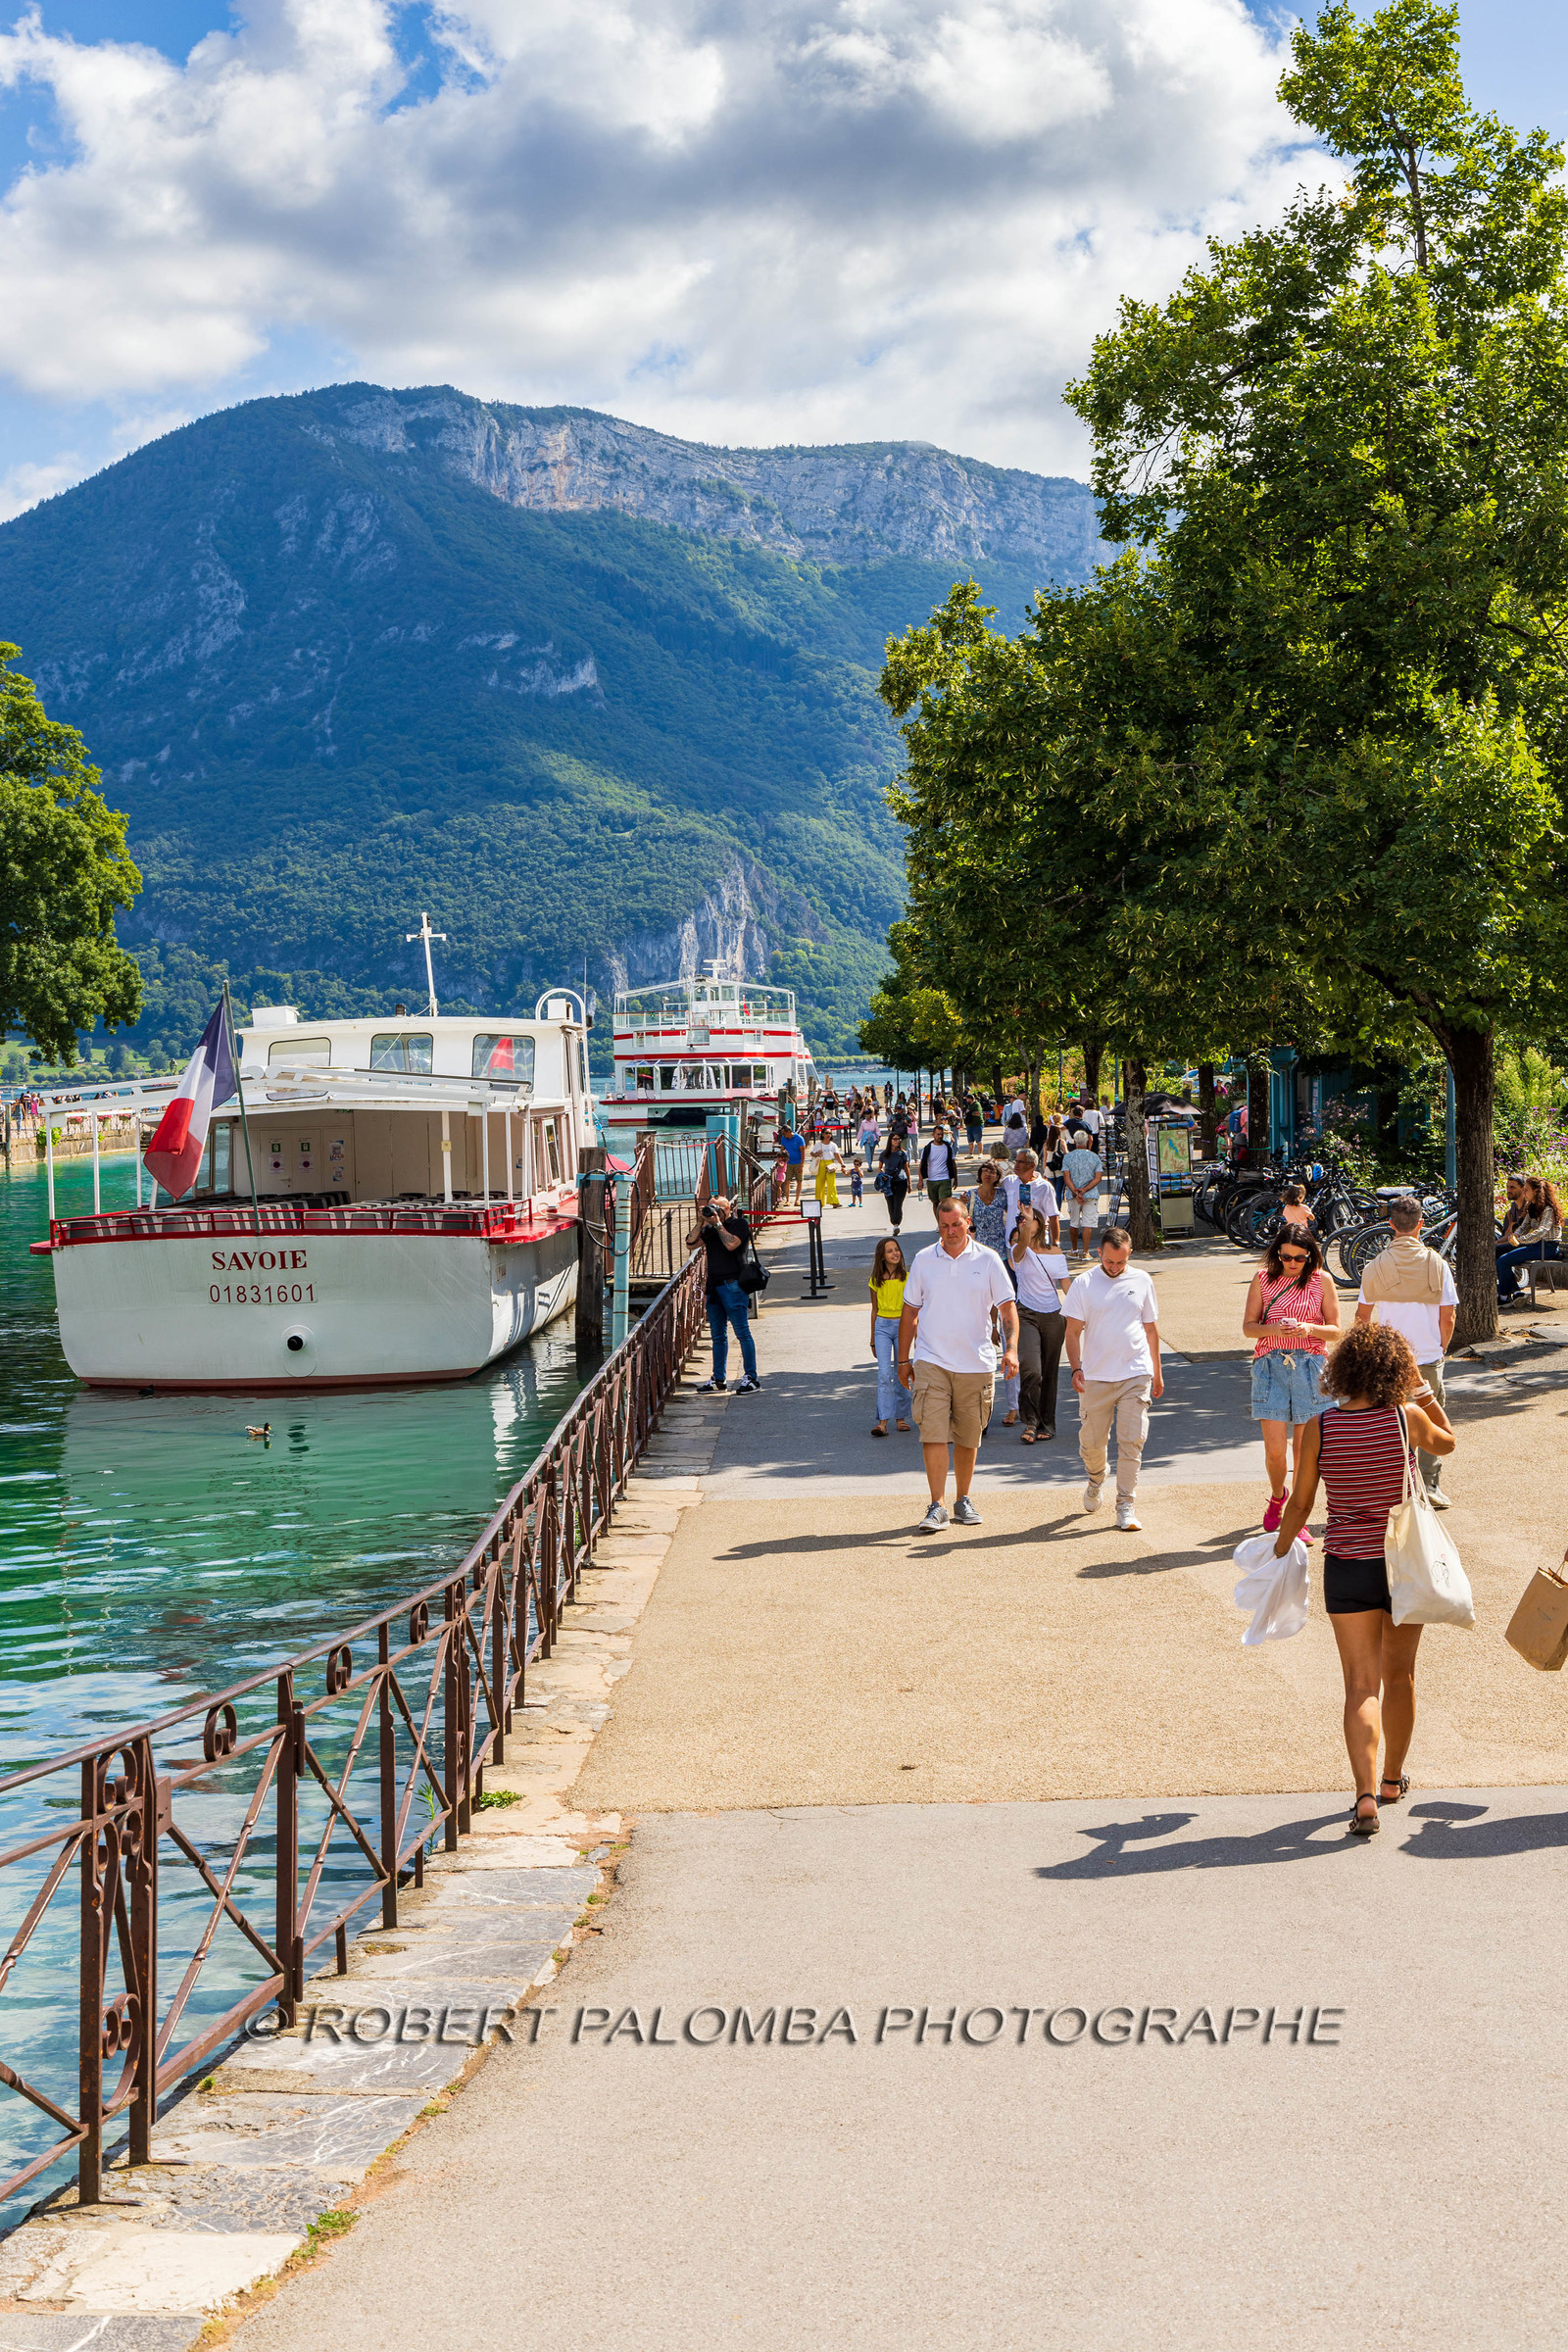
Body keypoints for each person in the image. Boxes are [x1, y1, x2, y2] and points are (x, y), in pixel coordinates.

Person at [1273, 1323, 1454, 1835]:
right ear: (1395, 1370)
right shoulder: (1408, 1418)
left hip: (1349, 1563)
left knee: (1359, 1684)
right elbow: (1449, 1443)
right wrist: (1420, 1389)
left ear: (1343, 1368)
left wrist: (1280, 1550)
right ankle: (1394, 1778)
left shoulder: (1319, 1427)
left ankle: (1366, 1795)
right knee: (1401, 1675)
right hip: (1404, 1564)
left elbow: (1302, 1503)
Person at [897, 1195, 1019, 1533]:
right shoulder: (924, 1260)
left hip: (976, 1362)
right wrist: (903, 1359)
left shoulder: (989, 1260)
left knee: (969, 1436)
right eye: (944, 1226)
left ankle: (962, 1498)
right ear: (938, 1226)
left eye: (956, 1224)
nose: (950, 1231)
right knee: (933, 1432)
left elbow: (1008, 1309)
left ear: (968, 1223)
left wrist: (1011, 1350)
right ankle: (936, 1505)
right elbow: (910, 1312)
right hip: (931, 1359)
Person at [1355, 1196, 1456, 1507]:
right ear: (1421, 1224)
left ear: (1391, 1226)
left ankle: (1393, 1486)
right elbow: (1448, 1316)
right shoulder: (1436, 1265)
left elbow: (1362, 1318)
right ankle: (1429, 1485)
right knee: (1432, 1421)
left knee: (1387, 1424)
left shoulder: (1376, 1267)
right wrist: (1441, 1348)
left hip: (1388, 1359)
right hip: (1426, 1355)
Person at [1063, 1227, 1163, 1532]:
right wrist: (1076, 1368)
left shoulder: (1141, 1280)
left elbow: (1151, 1330)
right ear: (1099, 1254)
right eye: (1109, 1261)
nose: (1114, 1267)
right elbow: (1072, 1331)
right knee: (1093, 1443)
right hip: (1096, 1375)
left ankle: (1125, 1505)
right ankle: (1096, 1477)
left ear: (1129, 1255)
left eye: (1120, 1262)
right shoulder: (1084, 1284)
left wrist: (1157, 1372)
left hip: (1135, 1372)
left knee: (1132, 1439)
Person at [1245, 1225, 1341, 1533]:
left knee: (1304, 1450)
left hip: (1311, 1366)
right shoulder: (1263, 1279)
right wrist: (1275, 1329)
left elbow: (1336, 1330)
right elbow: (1248, 1328)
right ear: (1277, 1254)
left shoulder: (1321, 1280)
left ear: (1310, 1254)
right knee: (1275, 1451)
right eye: (1286, 1256)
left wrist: (1309, 1329)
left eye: (1300, 1257)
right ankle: (1278, 1496)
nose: (1293, 1263)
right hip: (1271, 1366)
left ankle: (1296, 1516)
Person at [688, 1194, 760, 1395]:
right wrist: (701, 1221)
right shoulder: (710, 1229)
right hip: (714, 1287)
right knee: (718, 1336)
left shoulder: (739, 1224)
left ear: (727, 1208)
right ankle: (719, 1379)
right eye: (710, 1207)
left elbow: (731, 1244)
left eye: (716, 1208)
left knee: (742, 1333)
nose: (713, 1211)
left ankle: (751, 1378)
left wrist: (718, 1223)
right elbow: (691, 1243)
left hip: (733, 1286)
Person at [1010, 1201, 1067, 1443]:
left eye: (1030, 1218)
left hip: (1054, 1315)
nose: (1024, 1221)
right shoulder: (1017, 1249)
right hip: (1026, 1313)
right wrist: (1024, 1225)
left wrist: (1081, 1314)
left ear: (1041, 1223)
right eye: (1021, 1220)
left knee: (1049, 1372)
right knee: (1031, 1368)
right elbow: (1021, 1246)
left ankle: (1047, 1424)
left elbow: (1066, 1286)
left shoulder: (1055, 1252)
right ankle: (1030, 1422)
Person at [867, 1236, 912, 1437]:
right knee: (884, 1374)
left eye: (897, 1249)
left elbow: (914, 1309)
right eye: (889, 1251)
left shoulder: (908, 1278)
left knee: (901, 1372)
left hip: (902, 1326)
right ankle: (882, 1421)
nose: (895, 1253)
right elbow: (874, 1310)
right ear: (882, 1256)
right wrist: (872, 1339)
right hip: (882, 1328)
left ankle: (901, 1417)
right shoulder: (875, 1280)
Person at [1497, 1174, 1563, 1303]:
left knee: (1503, 1261)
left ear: (1536, 1191)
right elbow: (1524, 1227)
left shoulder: (1548, 1209)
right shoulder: (1531, 1208)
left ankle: (1503, 1297)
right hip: (1535, 1245)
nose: (1524, 1192)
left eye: (1526, 1189)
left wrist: (1521, 1240)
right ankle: (1516, 1293)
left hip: (1547, 1247)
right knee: (1497, 1251)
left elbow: (1542, 1231)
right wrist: (1515, 1235)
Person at [1002, 1149, 1059, 1249]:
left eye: (1021, 1162)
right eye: (1016, 1161)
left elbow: (1053, 1216)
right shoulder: (1008, 1182)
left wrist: (1055, 1243)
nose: (1016, 1165)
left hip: (1036, 1242)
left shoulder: (1044, 1187)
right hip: (1013, 1242)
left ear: (1032, 1165)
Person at [1060, 1131, 1106, 1255]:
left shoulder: (1068, 1157)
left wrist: (1076, 1192)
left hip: (1073, 1194)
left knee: (1074, 1222)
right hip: (1090, 1194)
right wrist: (1085, 1190)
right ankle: (1086, 1252)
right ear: (1087, 1142)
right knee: (1088, 1224)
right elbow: (1098, 1178)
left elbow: (1066, 1177)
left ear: (1075, 1142)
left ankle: (1074, 1250)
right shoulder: (1094, 1157)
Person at [919, 1120, 957, 1209]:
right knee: (935, 1203)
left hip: (945, 1178)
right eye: (938, 1134)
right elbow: (922, 1165)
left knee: (944, 1203)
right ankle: (940, 1222)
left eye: (941, 1134)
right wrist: (920, 1180)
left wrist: (955, 1179)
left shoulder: (948, 1147)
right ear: (933, 1135)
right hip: (932, 1179)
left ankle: (944, 1222)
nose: (940, 1136)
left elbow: (953, 1164)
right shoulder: (927, 1148)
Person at [879, 1132, 910, 1230]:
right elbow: (880, 1168)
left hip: (901, 1181)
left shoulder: (902, 1153)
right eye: (895, 1139)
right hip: (888, 1182)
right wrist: (882, 1175)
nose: (897, 1141)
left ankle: (896, 1224)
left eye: (898, 1139)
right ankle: (893, 1222)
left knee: (898, 1203)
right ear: (890, 1140)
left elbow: (906, 1168)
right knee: (890, 1203)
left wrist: (910, 1183)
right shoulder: (884, 1154)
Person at [813, 1134, 843, 1209]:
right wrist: (817, 1154)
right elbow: (812, 1153)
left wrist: (842, 1164)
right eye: (826, 1133)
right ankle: (819, 1202)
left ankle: (834, 1202)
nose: (828, 1135)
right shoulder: (818, 1144)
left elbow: (837, 1155)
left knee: (831, 1183)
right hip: (821, 1163)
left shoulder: (833, 1145)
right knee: (819, 1183)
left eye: (830, 1133)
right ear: (822, 1134)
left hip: (830, 1164)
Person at [781, 1124, 806, 1204]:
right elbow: (782, 1150)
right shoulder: (784, 1138)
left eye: (784, 1133)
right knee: (787, 1181)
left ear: (789, 1132)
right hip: (788, 1163)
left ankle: (797, 1199)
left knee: (799, 1181)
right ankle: (787, 1200)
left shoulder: (799, 1139)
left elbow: (803, 1152)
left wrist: (801, 1165)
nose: (783, 1135)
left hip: (798, 1162)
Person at [1002, 1095, 1029, 1159]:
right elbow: (1026, 1139)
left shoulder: (1008, 1129)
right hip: (1020, 1149)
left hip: (1010, 1149)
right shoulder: (1023, 1129)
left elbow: (1004, 1140)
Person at [962, 1091, 983, 1157]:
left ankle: (980, 1153)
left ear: (971, 1099)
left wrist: (970, 1113)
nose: (966, 1100)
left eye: (967, 1099)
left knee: (978, 1139)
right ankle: (970, 1153)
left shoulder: (976, 1104)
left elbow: (978, 1113)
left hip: (977, 1125)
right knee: (970, 1140)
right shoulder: (968, 1105)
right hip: (969, 1125)